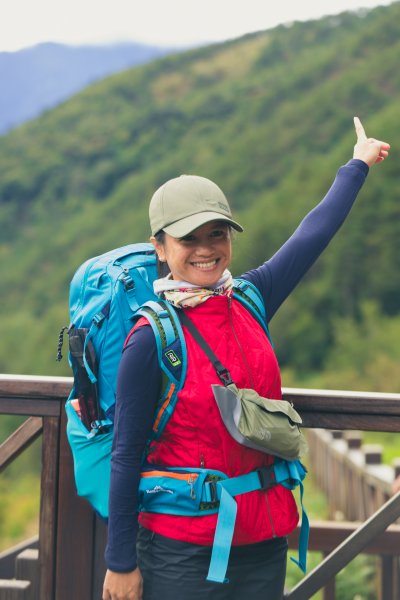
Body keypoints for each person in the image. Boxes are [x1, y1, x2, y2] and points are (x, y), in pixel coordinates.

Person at [102, 117, 390, 600]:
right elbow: (126, 453)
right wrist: (120, 563)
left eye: (217, 234)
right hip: (181, 550)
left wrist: (356, 166)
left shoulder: (250, 299)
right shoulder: (150, 338)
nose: (206, 250)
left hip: (263, 538)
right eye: (188, 239)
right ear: (160, 246)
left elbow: (311, 236)